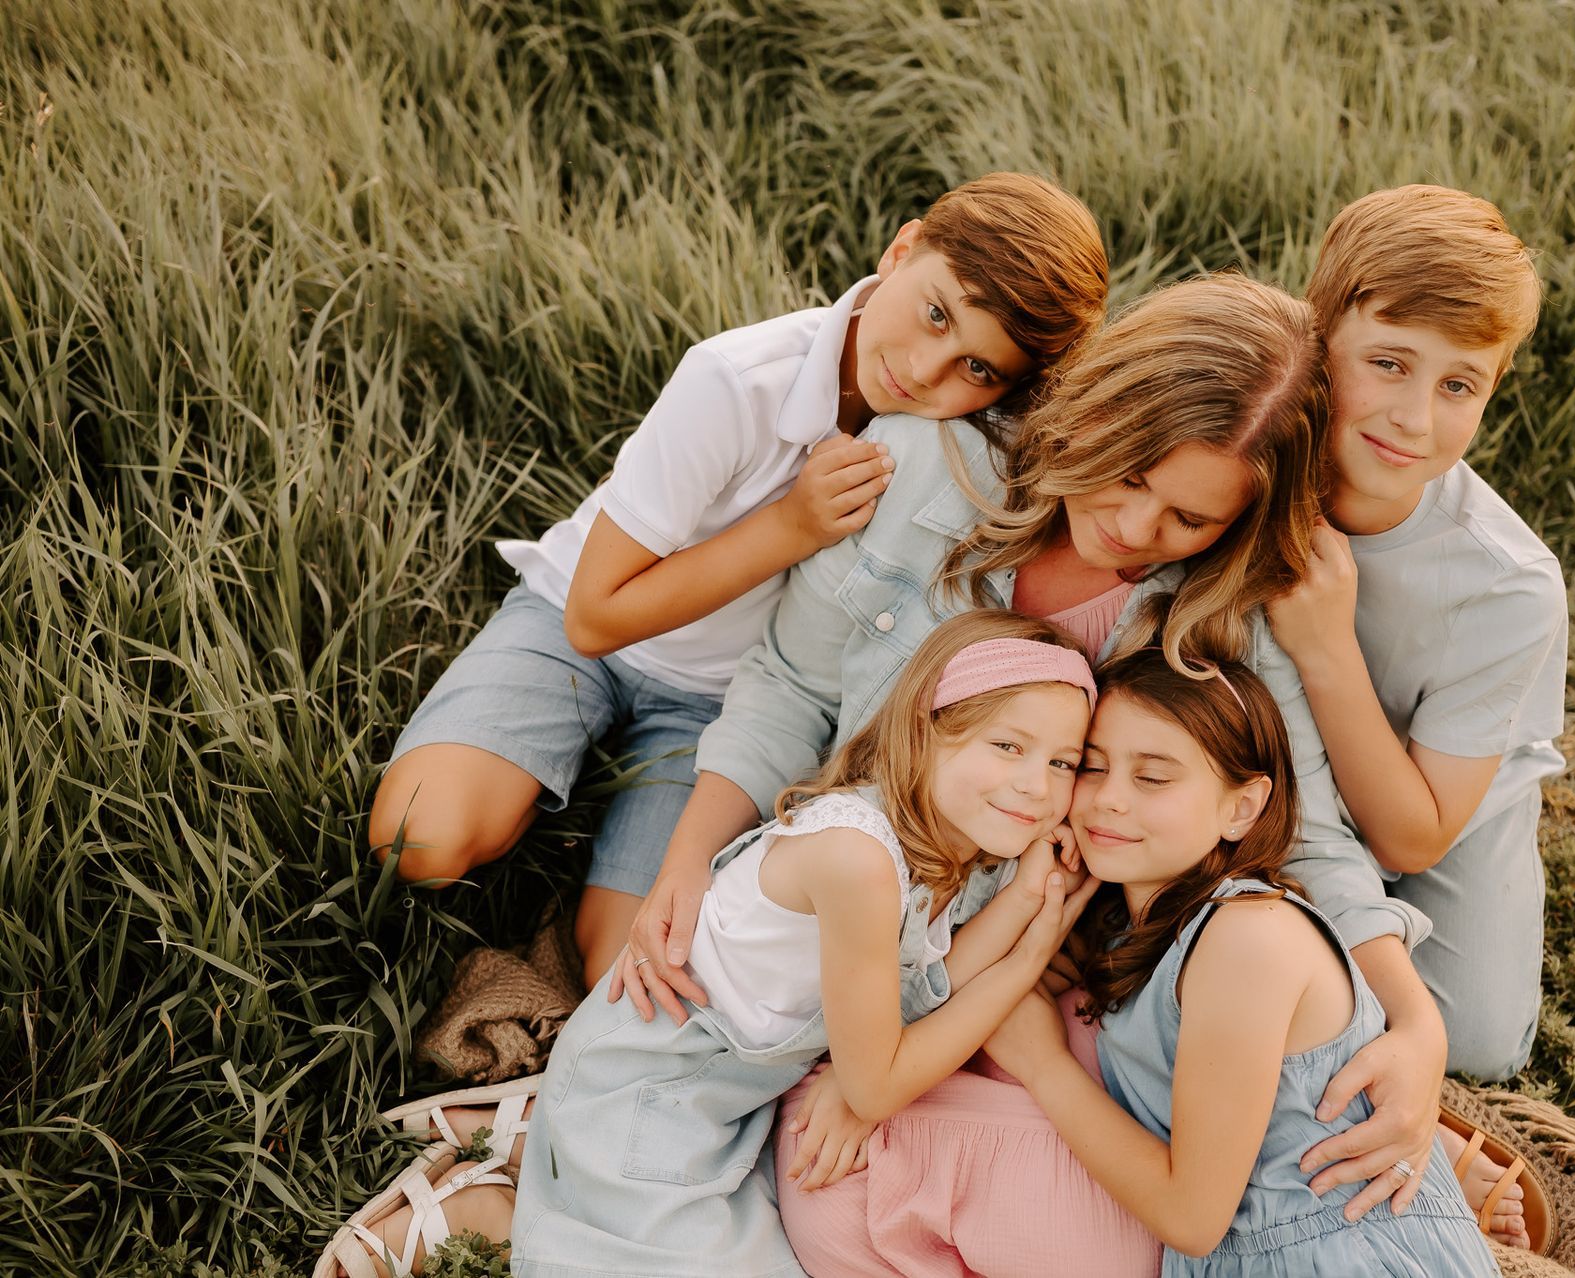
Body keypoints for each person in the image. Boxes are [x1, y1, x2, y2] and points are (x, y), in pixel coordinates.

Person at [614, 274, 1471, 1265]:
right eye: (1130, 473)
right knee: (696, 1079)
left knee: (962, 1194)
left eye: (1189, 520)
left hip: (1028, 957)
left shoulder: (1222, 613)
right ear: (1096, 411)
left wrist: (1415, 1024)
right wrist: (687, 859)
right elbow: (789, 687)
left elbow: (1305, 830)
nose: (1138, 528)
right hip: (862, 909)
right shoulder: (921, 473)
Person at [367, 172, 1108, 979]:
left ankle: (579, 884)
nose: (929, 371)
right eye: (936, 312)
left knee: (638, 964)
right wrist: (790, 527)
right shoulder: (736, 377)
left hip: (720, 704)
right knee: (420, 839)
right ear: (901, 249)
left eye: (977, 367)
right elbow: (594, 616)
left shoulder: (954, 451)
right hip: (580, 633)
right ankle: (526, 784)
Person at [320, 610, 1105, 1277]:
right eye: (1008, 747)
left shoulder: (926, 842)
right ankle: (482, 1208)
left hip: (716, 1101)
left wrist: (1038, 901)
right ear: (925, 734)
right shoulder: (858, 860)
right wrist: (1031, 961)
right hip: (650, 1093)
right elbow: (876, 1085)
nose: (1040, 787)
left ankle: (532, 1137)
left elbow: (930, 979)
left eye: (1064, 762)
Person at [982, 649, 1501, 1276]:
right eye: (1092, 767)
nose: (1109, 799)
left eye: (1153, 777)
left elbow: (1192, 1219)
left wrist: (1043, 1066)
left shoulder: (1246, 937)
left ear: (1241, 807)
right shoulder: (1136, 935)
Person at [1265, 184, 1564, 1087]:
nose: (1414, 417)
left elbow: (1411, 840)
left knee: (1469, 1044)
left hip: (1441, 796)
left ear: (1493, 388)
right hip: (1281, 757)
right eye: (1389, 364)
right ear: (1319, 337)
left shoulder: (1507, 587)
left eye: (1458, 385)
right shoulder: (1252, 454)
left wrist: (1325, 647)